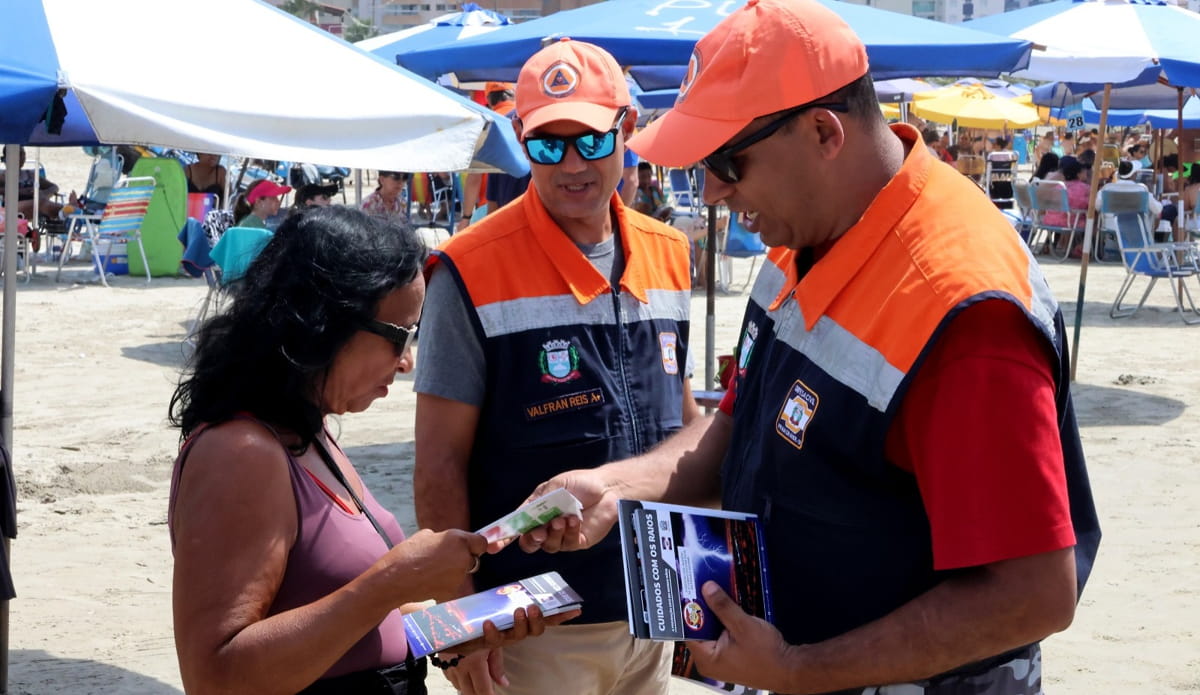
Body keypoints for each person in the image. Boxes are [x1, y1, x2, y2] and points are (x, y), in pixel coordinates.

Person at [510, 2, 1101, 694]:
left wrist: (800, 669)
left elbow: (1032, 593)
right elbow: (734, 428)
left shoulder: (964, 311)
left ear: (824, 131)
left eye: (729, 161)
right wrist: (616, 487)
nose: (712, 190)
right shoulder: (800, 234)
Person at [168, 206, 573, 694]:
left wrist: (457, 626)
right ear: (325, 324)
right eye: (400, 335)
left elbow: (336, 614)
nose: (406, 362)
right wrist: (391, 582)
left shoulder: (305, 431)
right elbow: (215, 678)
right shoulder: (241, 452)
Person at [413, 38, 699, 695]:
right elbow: (438, 465)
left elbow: (681, 422)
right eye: (548, 145)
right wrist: (458, 621)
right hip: (530, 628)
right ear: (520, 140)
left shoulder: (670, 252)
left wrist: (690, 583)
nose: (572, 164)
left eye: (591, 141)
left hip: (652, 610)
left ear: (627, 129)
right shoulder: (469, 268)